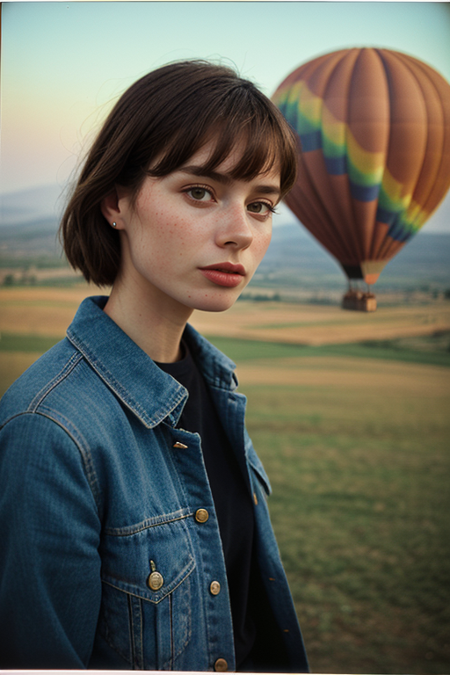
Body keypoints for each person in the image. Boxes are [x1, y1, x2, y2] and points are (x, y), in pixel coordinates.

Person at [0, 60, 308, 672]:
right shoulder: (50, 432)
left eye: (262, 205)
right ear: (116, 201)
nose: (239, 232)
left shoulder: (216, 386)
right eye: (201, 192)